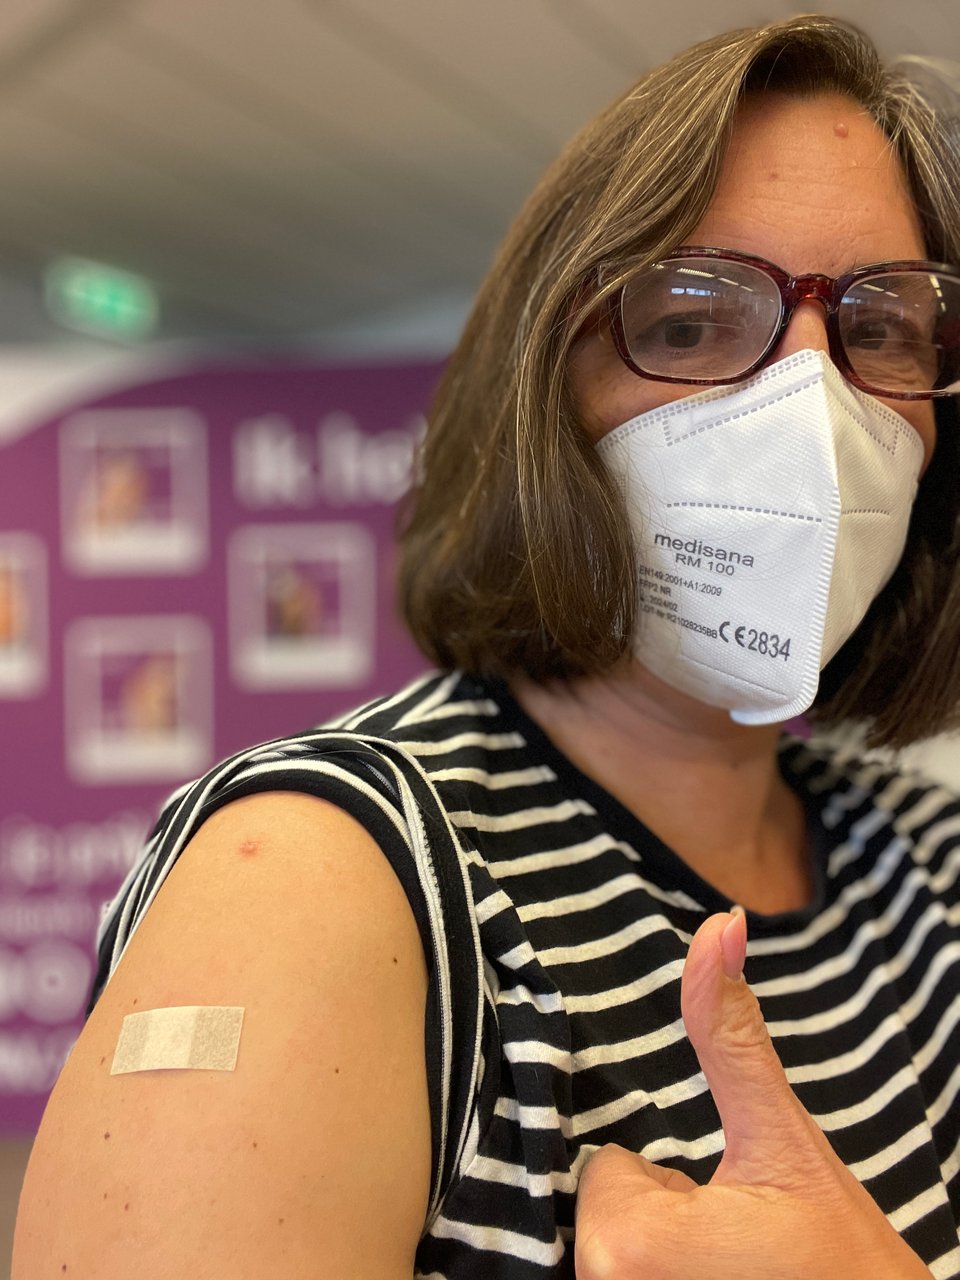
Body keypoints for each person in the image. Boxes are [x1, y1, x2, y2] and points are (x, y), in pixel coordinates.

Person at [14, 14, 960, 1279]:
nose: (814, 404)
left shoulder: (932, 862)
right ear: (541, 393)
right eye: (688, 321)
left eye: (881, 325)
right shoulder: (331, 875)